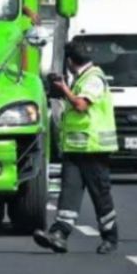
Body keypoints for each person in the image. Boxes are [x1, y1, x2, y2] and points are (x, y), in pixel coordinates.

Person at [34, 40, 119, 255]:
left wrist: (63, 89)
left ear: (70, 62)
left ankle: (110, 236)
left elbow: (81, 106)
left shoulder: (94, 79)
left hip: (93, 149)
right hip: (74, 149)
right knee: (68, 192)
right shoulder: (81, 78)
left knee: (100, 195)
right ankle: (59, 234)